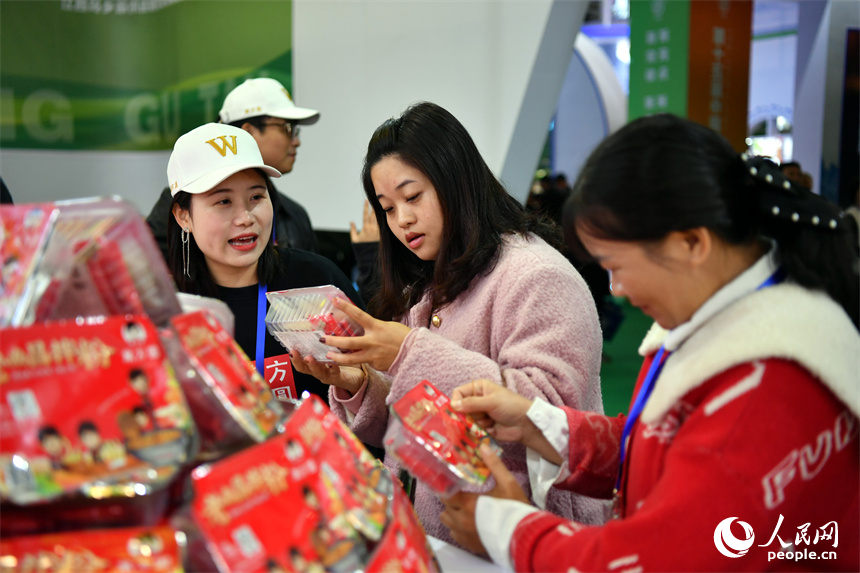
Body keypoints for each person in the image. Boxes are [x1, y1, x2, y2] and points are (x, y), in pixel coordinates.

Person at [436, 113, 859, 572]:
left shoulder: (763, 393)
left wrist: (508, 529)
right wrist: (539, 425)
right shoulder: (731, 318)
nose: (616, 289)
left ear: (691, 244)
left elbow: (657, 558)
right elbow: (665, 447)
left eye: (616, 265)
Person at [290, 102, 606, 543]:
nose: (402, 220)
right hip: (444, 540)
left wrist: (408, 352)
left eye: (412, 197)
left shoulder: (536, 274)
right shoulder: (430, 281)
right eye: (387, 208)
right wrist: (360, 384)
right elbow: (414, 421)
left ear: (456, 181)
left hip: (530, 542)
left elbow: (553, 420)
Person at [165, 122, 363, 402]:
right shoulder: (167, 309)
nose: (246, 218)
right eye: (223, 202)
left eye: (256, 197)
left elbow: (380, 383)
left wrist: (354, 383)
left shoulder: (316, 281)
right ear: (183, 216)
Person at [148, 77, 320, 262]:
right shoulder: (178, 205)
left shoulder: (294, 215)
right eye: (287, 128)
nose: (296, 141)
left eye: (256, 197)